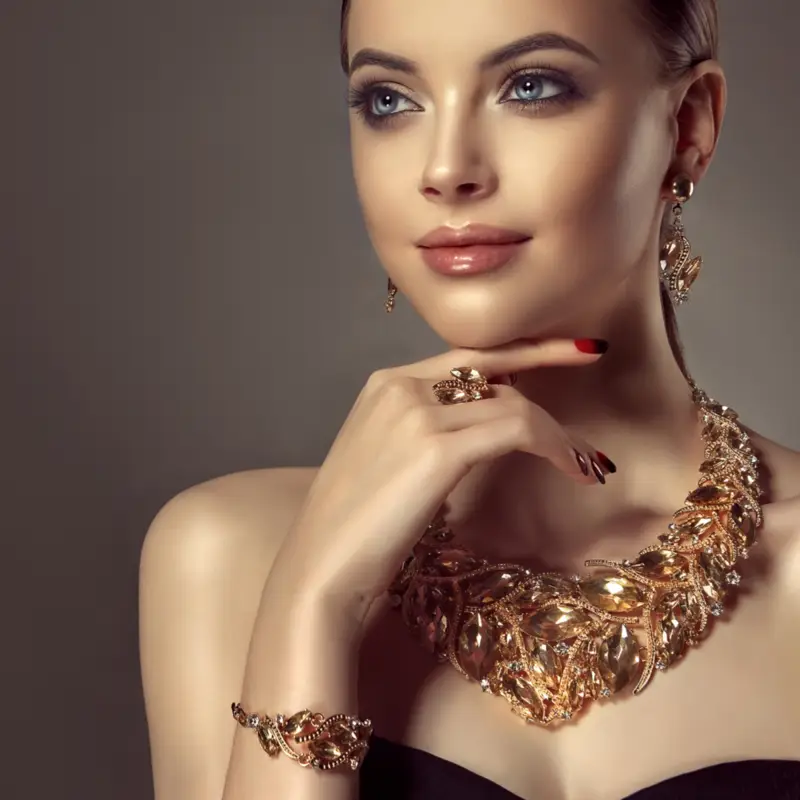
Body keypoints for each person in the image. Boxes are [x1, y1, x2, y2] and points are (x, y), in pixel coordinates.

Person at [139, 1, 800, 798]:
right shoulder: (228, 554)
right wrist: (315, 601)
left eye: (531, 86)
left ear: (688, 125)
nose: (445, 168)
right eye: (390, 99)